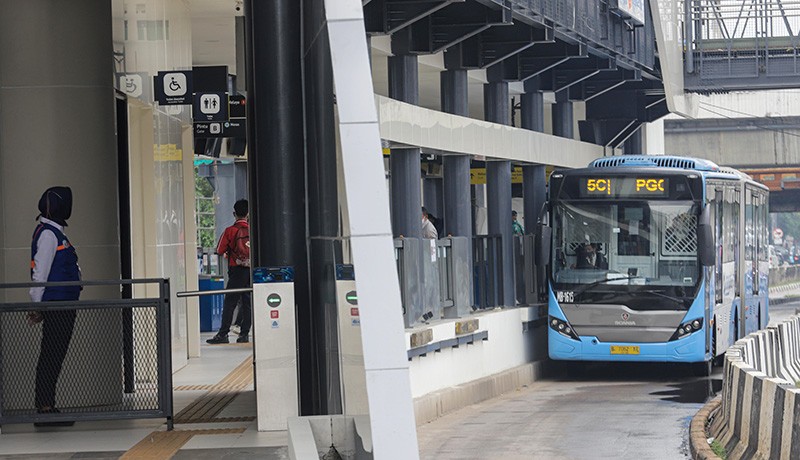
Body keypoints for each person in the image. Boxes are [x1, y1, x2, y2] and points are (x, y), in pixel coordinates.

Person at [29, 186, 80, 427]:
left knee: (55, 353)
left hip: (64, 302)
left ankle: (48, 405)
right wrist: (36, 305)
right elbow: (40, 272)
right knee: (51, 353)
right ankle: (44, 408)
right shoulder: (49, 234)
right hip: (57, 303)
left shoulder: (56, 232)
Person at [207, 199, 252, 344]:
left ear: (234, 213)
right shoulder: (253, 230)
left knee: (230, 302)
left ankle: (223, 334)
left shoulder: (230, 231)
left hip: (236, 269)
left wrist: (229, 252)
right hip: (250, 270)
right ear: (248, 214)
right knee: (247, 301)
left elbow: (220, 249)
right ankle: (244, 334)